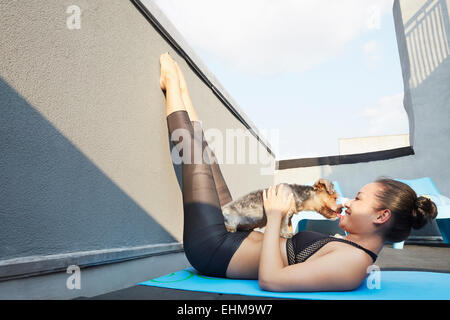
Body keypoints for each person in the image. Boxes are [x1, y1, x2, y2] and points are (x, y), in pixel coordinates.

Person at [159, 52, 438, 292]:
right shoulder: (353, 251)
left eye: (360, 199)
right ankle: (180, 91)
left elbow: (271, 280)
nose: (348, 202)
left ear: (381, 215)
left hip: (214, 250)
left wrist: (276, 215)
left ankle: (172, 83)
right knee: (206, 161)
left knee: (196, 161)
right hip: (229, 238)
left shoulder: (353, 264)